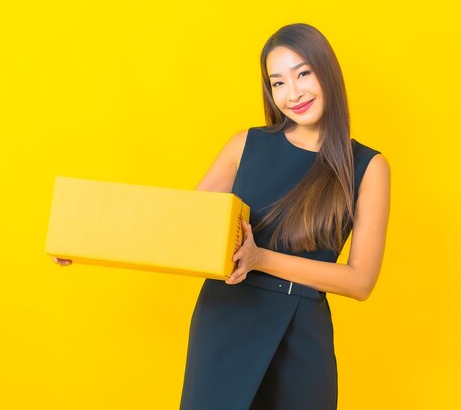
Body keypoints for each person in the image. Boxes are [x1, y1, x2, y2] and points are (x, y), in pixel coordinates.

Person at [53, 22, 390, 410]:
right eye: (277, 82)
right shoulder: (245, 144)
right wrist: (85, 239)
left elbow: (360, 281)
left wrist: (260, 258)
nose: (292, 93)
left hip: (301, 336)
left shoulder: (368, 166)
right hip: (226, 319)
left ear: (326, 70)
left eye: (303, 74)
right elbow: (175, 226)